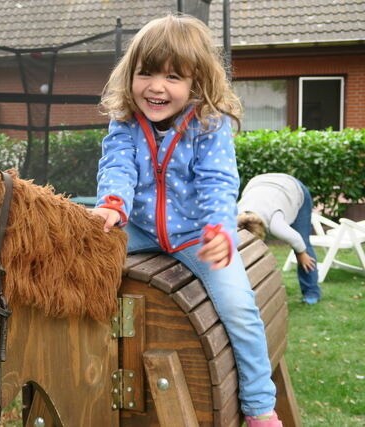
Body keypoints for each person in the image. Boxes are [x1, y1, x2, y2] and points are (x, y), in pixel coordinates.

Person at [89, 13, 282, 426]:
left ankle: (260, 408)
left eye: (173, 77)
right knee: (79, 264)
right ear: (130, 75)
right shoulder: (124, 120)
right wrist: (111, 205)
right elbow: (117, 166)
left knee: (239, 309)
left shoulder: (209, 126)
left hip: (199, 234)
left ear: (197, 84)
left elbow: (217, 182)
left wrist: (217, 228)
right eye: (146, 73)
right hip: (138, 227)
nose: (156, 86)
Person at [237, 173, 321, 304]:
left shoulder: (275, 224)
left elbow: (296, 239)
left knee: (303, 245)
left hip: (293, 189)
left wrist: (301, 253)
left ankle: (311, 292)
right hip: (259, 183)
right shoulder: (234, 217)